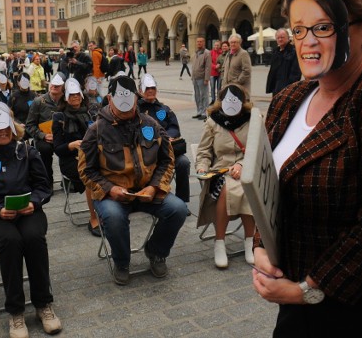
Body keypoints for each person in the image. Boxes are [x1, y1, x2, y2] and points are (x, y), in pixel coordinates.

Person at [251, 0, 362, 338]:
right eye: (298, 28)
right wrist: (262, 247)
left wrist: (311, 288)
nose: (306, 42)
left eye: (322, 28)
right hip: (297, 306)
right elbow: (269, 185)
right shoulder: (289, 99)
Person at [0, 102, 62, 338]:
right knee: (10, 241)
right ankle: (16, 312)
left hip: (27, 210)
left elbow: (43, 185)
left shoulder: (26, 151)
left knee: (34, 237)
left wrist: (34, 202)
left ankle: (43, 304)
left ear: (13, 128)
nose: (3, 132)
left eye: (6, 128)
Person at [78, 75, 188, 285]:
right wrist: (110, 189)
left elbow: (167, 160)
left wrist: (155, 187)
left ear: (136, 99)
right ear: (109, 100)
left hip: (147, 191)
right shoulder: (96, 130)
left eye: (130, 105)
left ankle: (156, 251)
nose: (127, 110)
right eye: (120, 106)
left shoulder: (151, 124)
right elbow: (85, 170)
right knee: (113, 217)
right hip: (113, 195)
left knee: (178, 209)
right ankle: (122, 261)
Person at [195, 84, 255, 268]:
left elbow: (257, 150)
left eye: (235, 100)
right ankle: (219, 242)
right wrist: (202, 168)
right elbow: (203, 151)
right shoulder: (213, 121)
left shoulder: (253, 120)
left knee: (247, 186)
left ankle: (250, 241)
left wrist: (242, 165)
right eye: (227, 100)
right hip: (220, 171)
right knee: (227, 188)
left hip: (247, 169)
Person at [52, 78, 100, 236]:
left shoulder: (89, 112)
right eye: (71, 95)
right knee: (90, 175)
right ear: (66, 97)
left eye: (77, 94)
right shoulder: (59, 117)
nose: (75, 97)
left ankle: (111, 209)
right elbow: (57, 148)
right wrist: (71, 145)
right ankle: (94, 218)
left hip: (91, 155)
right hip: (71, 160)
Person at [137, 74, 191, 205]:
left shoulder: (164, 109)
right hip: (146, 152)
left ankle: (182, 200)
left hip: (167, 151)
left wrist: (167, 138)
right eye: (147, 88)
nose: (150, 90)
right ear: (140, 91)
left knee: (183, 162)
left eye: (153, 88)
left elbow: (174, 127)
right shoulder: (136, 110)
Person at [25, 73, 64, 186]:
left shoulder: (66, 101)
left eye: (57, 86)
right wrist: (43, 135)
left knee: (69, 150)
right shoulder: (38, 102)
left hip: (61, 137)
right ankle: (47, 182)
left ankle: (67, 180)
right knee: (45, 151)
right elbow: (30, 125)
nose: (54, 87)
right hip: (43, 138)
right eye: (53, 85)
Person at [265, 28, 301, 95]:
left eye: (282, 37)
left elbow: (296, 73)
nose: (280, 39)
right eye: (278, 38)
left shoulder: (293, 51)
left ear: (288, 38)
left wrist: (289, 88)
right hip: (276, 88)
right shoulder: (276, 51)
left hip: (287, 88)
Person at [191, 37, 211, 120]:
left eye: (200, 42)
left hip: (202, 78)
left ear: (204, 43)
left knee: (204, 96)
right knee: (197, 96)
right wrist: (192, 76)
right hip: (195, 78)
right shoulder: (196, 52)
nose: (199, 43)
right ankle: (199, 111)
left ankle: (204, 112)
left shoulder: (207, 53)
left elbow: (208, 67)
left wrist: (206, 78)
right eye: (198, 42)